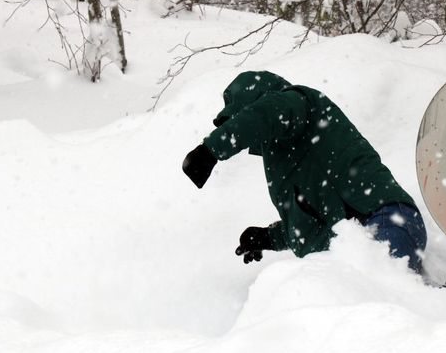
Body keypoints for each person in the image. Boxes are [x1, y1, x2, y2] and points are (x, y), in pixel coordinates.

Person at [182, 71, 427, 273]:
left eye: (239, 117)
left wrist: (211, 150)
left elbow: (266, 114)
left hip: (380, 220)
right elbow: (311, 224)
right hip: (358, 241)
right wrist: (269, 238)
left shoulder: (299, 103)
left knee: (378, 315)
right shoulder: (285, 156)